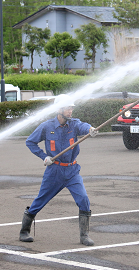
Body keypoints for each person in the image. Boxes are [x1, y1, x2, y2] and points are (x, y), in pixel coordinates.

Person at [20, 94, 98, 246]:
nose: (71, 111)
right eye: (68, 108)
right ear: (59, 109)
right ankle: (24, 230)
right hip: (54, 171)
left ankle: (84, 235)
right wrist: (44, 157)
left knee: (83, 199)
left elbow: (83, 126)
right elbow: (30, 142)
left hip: (72, 170)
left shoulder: (74, 124)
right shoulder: (47, 126)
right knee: (40, 200)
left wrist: (90, 129)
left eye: (71, 108)